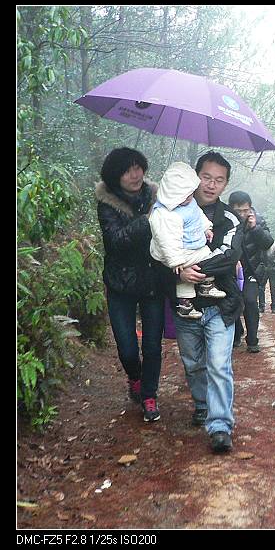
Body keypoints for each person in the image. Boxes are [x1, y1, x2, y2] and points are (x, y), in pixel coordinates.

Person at [152, 151, 243, 453]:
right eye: (206, 177)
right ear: (195, 177)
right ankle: (203, 405)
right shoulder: (167, 213)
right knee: (193, 364)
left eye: (219, 180)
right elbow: (158, 256)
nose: (211, 185)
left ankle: (220, 426)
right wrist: (177, 270)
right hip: (185, 307)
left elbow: (230, 256)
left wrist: (193, 268)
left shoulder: (229, 219)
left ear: (225, 184)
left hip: (220, 305)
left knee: (219, 364)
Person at [96, 147, 164, 423]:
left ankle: (149, 395)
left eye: (138, 168)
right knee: (127, 347)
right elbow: (116, 241)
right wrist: (147, 221)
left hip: (152, 281)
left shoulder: (158, 197)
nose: (135, 175)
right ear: (115, 176)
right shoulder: (107, 203)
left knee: (152, 345)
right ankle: (135, 377)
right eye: (127, 170)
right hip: (120, 283)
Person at [148, 162, 226, 320]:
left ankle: (185, 305)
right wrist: (176, 261)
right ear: (174, 193)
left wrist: (206, 228)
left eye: (191, 193)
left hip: (187, 248)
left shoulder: (189, 203)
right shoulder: (164, 215)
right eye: (186, 195)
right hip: (175, 253)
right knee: (208, 255)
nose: (190, 197)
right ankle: (206, 284)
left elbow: (197, 215)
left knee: (186, 280)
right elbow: (167, 241)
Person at [228, 191, 273, 352]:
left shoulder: (258, 220)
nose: (242, 214)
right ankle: (236, 334)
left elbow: (268, 243)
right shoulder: (226, 220)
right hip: (229, 272)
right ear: (231, 208)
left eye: (245, 210)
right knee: (232, 302)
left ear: (250, 208)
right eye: (238, 211)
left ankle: (252, 340)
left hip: (251, 271)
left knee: (251, 301)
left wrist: (255, 228)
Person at [259, 239, 275, 313]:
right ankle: (261, 306)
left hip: (273, 269)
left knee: (273, 288)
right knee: (261, 287)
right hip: (263, 269)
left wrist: (274, 268)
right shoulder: (260, 244)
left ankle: (274, 306)